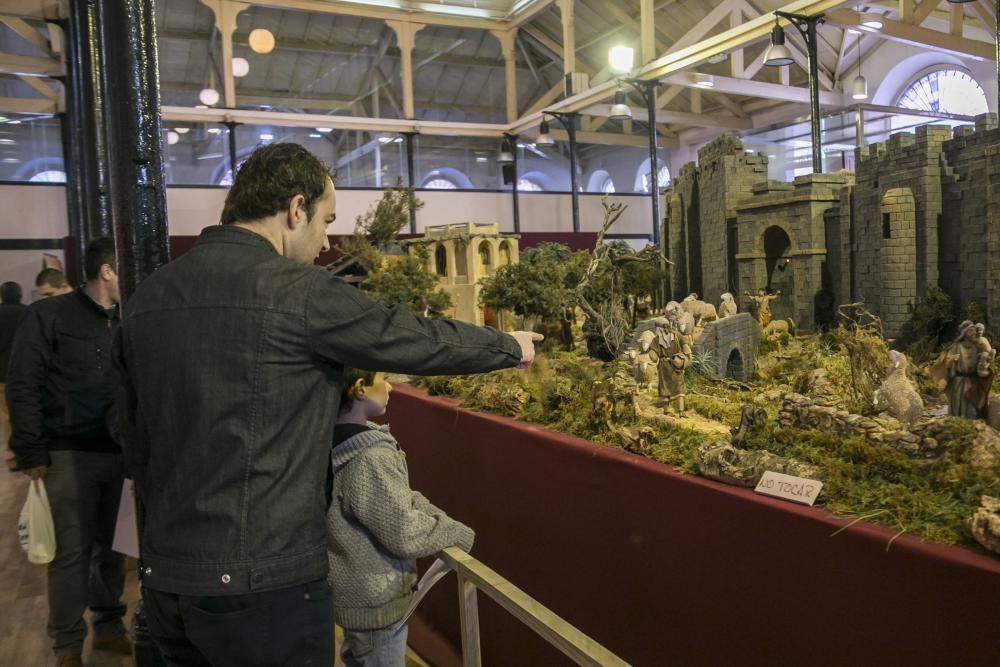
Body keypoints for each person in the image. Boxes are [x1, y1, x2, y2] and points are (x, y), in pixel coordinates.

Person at [114, 143, 542, 666]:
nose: (326, 241)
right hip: (265, 589)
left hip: (165, 584)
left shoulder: (150, 296)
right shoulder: (299, 293)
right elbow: (409, 336)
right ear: (296, 209)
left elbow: (126, 433)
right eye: (326, 220)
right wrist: (508, 347)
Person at [6, 239, 129, 667]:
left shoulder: (126, 320)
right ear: (109, 271)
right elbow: (23, 383)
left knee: (114, 548)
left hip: (119, 453)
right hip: (66, 451)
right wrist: (31, 449)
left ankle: (110, 624)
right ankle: (67, 644)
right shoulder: (48, 315)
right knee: (71, 553)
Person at [327, 368, 473, 666]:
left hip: (355, 596)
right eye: (382, 380)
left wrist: (435, 517)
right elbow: (403, 533)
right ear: (360, 389)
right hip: (376, 602)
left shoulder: (333, 440)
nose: (391, 387)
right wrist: (456, 533)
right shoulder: (371, 458)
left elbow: (401, 498)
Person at [931, 320, 994, 419]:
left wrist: (987, 359)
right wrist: (951, 361)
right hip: (959, 384)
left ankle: (973, 427)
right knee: (958, 409)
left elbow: (987, 358)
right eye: (970, 331)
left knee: (973, 409)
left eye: (974, 330)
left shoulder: (978, 346)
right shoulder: (956, 347)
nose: (973, 333)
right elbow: (946, 364)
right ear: (964, 333)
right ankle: (960, 426)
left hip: (974, 383)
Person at [1, 281, 27, 470]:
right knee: (26, 411)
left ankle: (12, 457)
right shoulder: (28, 312)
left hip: (1, 374)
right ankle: (29, 452)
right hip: (24, 373)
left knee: (5, 416)